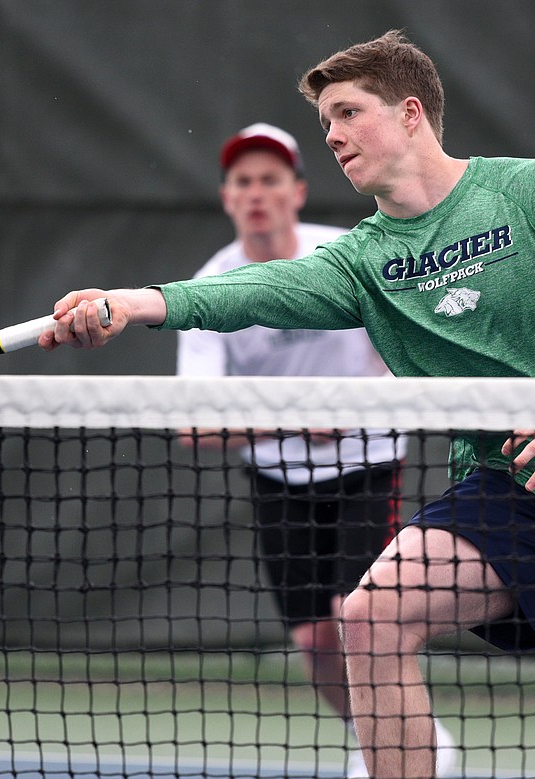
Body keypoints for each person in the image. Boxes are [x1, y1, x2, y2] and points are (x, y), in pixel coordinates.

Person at [42, 29, 535, 779]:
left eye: (345, 112)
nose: (331, 135)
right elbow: (251, 290)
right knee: (369, 618)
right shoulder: (364, 262)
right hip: (516, 495)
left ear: (409, 114)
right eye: (324, 122)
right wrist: (136, 300)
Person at [177, 122, 456, 777]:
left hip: (367, 466)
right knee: (314, 645)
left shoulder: (346, 256)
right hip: (278, 482)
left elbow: (411, 344)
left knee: (356, 617)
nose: (256, 193)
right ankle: (383, 735)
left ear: (297, 191)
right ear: (227, 197)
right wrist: (292, 422)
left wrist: (363, 399)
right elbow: (192, 423)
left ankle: (400, 747)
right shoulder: (211, 287)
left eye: (270, 179)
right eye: (242, 181)